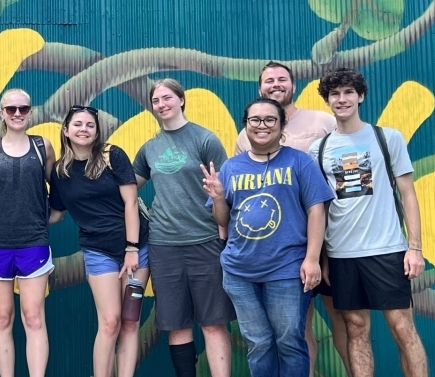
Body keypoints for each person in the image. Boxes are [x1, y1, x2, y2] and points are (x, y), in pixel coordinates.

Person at [308, 68, 428, 377]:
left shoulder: (387, 138)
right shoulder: (318, 150)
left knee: (402, 327)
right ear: (328, 100)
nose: (342, 99)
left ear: (360, 96)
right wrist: (323, 258)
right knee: (355, 327)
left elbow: (408, 195)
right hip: (342, 254)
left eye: (349, 92)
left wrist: (414, 248)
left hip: (387, 249)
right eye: (335, 94)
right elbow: (318, 209)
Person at [202, 97, 334, 377]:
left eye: (270, 119)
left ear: (282, 125)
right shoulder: (231, 167)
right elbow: (223, 220)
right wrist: (217, 198)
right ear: (246, 126)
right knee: (258, 343)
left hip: (286, 269)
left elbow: (317, 211)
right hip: (239, 272)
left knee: (289, 342)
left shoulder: (300, 162)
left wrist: (312, 259)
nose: (262, 125)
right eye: (255, 120)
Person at [234, 61, 345, 376]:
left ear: (293, 85)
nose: (275, 84)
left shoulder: (323, 121)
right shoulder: (247, 135)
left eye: (282, 79)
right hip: (288, 245)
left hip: (334, 235)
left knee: (344, 318)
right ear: (260, 89)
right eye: (268, 81)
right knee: (298, 326)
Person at [132, 78, 233, 377]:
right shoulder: (149, 148)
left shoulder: (205, 140)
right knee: (176, 323)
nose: (162, 104)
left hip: (205, 241)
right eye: (156, 101)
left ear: (181, 100)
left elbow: (224, 191)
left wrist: (222, 226)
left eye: (167, 98)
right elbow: (128, 189)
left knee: (213, 322)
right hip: (164, 245)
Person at [47, 105, 149, 377]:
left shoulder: (112, 156)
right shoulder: (60, 172)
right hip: (98, 251)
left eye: (90, 125)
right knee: (109, 321)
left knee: (130, 320)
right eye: (77, 124)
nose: (84, 129)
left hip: (136, 249)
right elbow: (55, 214)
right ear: (66, 130)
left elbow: (130, 202)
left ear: (97, 131)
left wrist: (131, 248)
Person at [0, 89, 57, 377]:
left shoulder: (43, 146)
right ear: (1, 113)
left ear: (30, 111)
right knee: (2, 318)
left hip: (33, 242)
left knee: (33, 317)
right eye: (11, 109)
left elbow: (59, 190)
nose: (18, 114)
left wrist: (53, 215)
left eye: (24, 108)